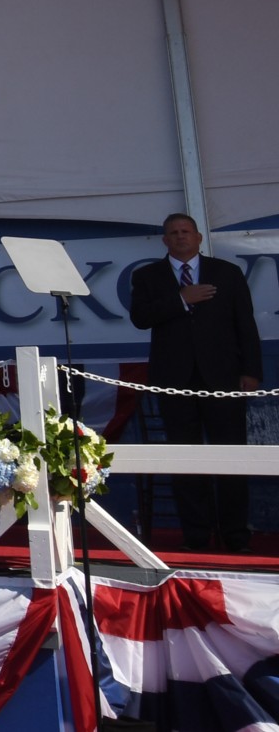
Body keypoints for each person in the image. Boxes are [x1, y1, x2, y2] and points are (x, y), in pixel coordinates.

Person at [129, 213, 263, 552]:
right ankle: (197, 535)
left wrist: (250, 372)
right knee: (185, 459)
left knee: (231, 456)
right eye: (173, 233)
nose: (180, 237)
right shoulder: (147, 276)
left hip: (223, 378)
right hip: (175, 380)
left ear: (199, 237)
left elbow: (245, 325)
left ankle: (235, 534)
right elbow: (140, 318)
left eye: (185, 231)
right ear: (164, 240)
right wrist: (181, 299)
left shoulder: (227, 273)